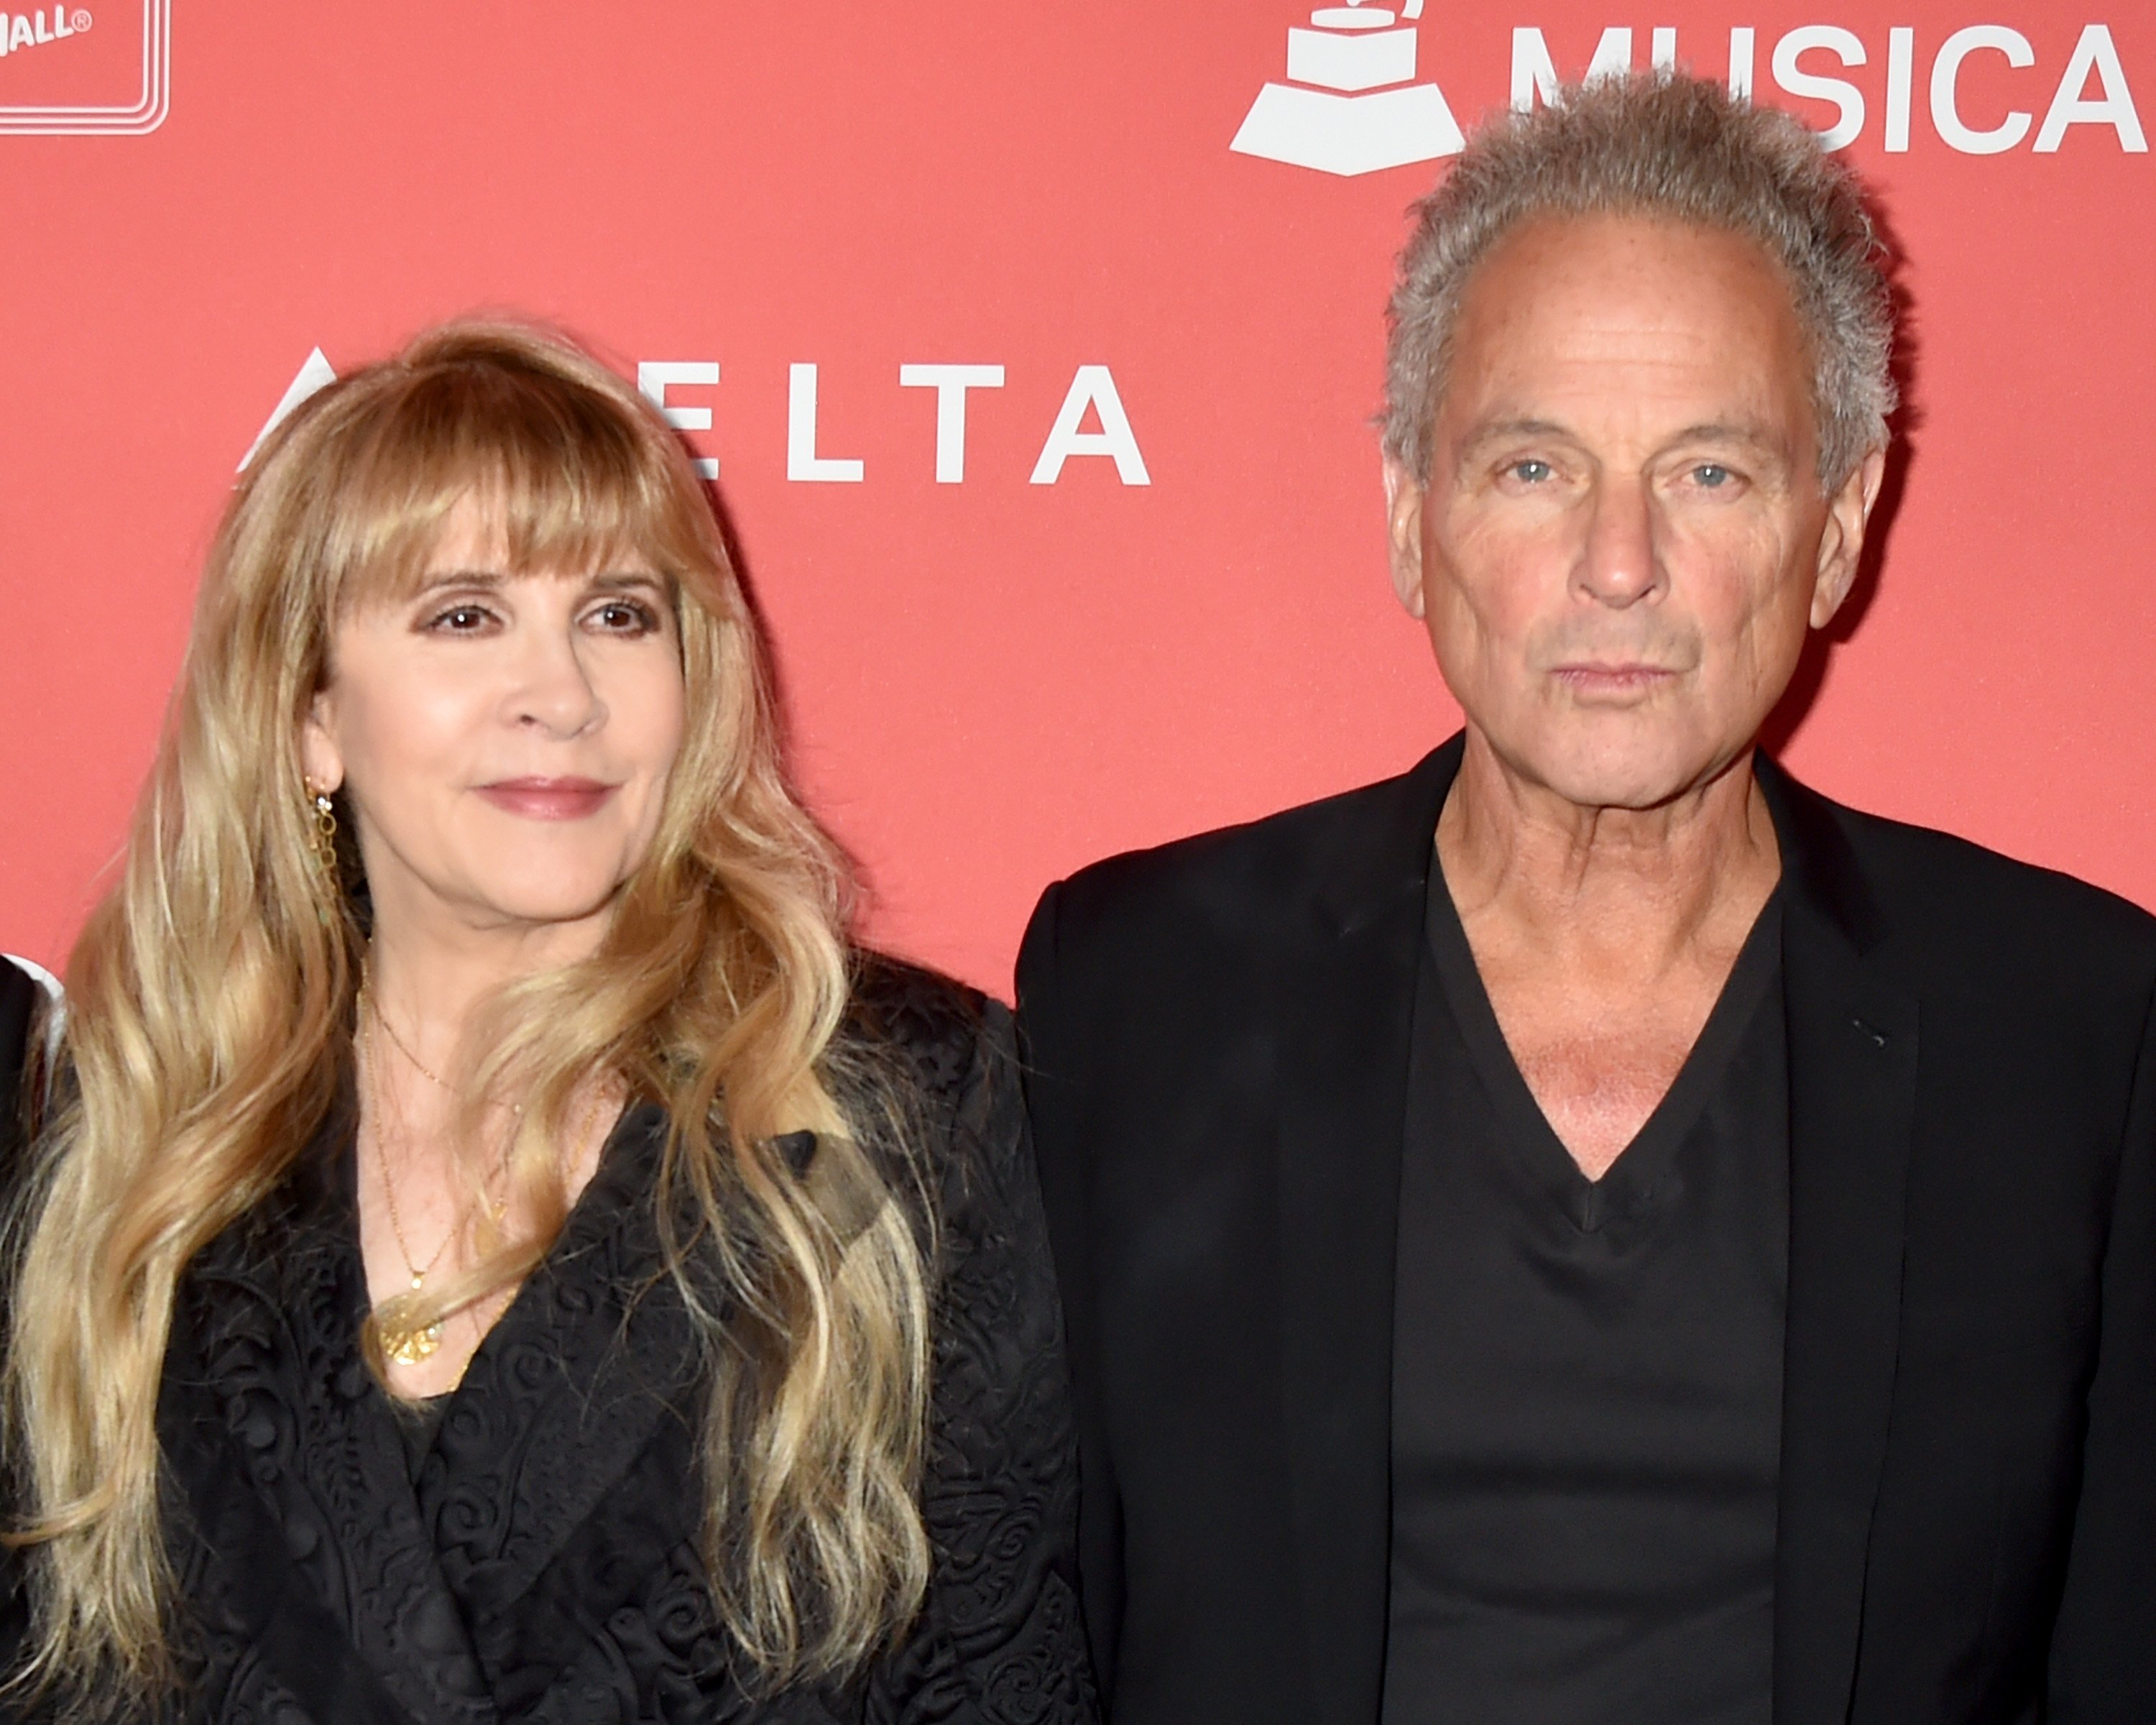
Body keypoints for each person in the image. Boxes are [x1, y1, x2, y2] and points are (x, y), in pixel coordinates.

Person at [1018, 73, 2156, 1725]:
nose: (1619, 564)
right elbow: (1016, 1634)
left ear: (1839, 532)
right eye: (1536, 466)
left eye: (1711, 474)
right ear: (1410, 520)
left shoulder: (2070, 1028)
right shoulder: (1140, 992)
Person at [0, 323, 1098, 1724]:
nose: (564, 696)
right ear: (311, 714)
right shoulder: (137, 1138)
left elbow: (1006, 1678)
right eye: (465, 616)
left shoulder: (903, 1108)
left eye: (618, 615)